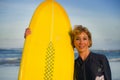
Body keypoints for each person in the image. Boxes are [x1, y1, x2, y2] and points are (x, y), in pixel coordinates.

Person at [24, 25, 112, 80]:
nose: (81, 42)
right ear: (73, 42)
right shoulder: (73, 65)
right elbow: (47, 57)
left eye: (84, 39)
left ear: (89, 42)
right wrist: (30, 39)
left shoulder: (101, 59)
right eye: (77, 39)